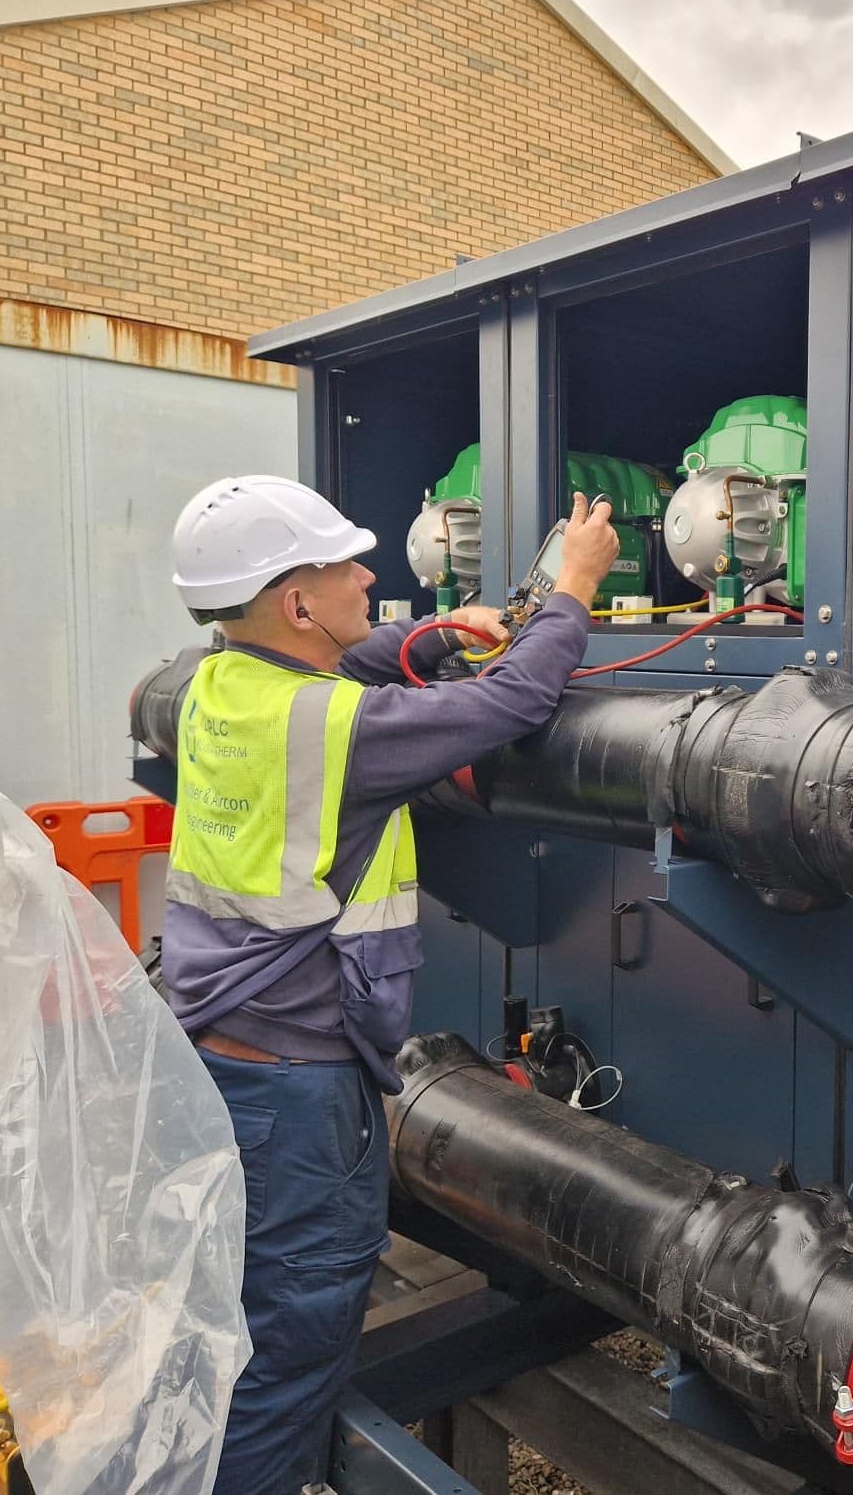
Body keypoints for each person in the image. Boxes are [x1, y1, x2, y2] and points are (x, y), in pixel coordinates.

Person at [159, 473, 618, 1494]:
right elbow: (512, 701)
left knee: (254, 1314)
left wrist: (436, 634)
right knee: (294, 1341)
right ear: (296, 603)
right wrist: (572, 593)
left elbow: (350, 665)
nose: (370, 575)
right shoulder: (340, 732)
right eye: (344, 565)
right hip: (300, 1090)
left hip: (223, 1063)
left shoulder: (216, 685)